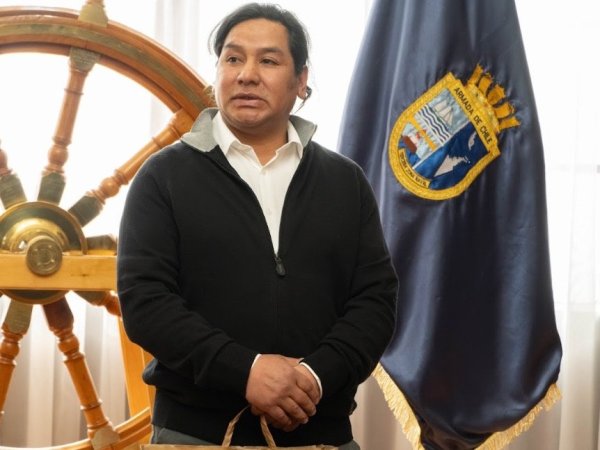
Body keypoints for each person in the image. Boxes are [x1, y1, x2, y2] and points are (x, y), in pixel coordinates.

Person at [117, 3, 398, 448]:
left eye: (268, 60)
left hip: (321, 434)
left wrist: (313, 378)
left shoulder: (345, 181)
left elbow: (375, 301)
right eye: (233, 58)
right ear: (217, 75)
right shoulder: (162, 176)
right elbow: (146, 304)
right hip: (193, 435)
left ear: (301, 81)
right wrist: (246, 371)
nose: (247, 75)